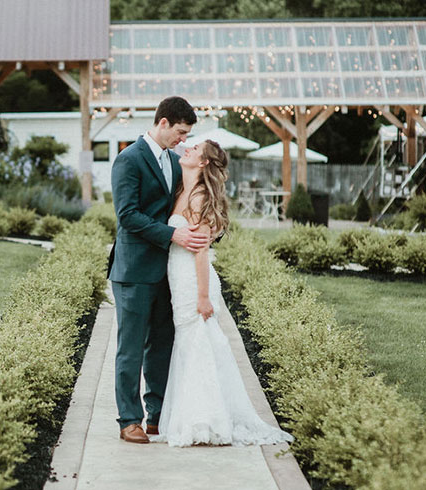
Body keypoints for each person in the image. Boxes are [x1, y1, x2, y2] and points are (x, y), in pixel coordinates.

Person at [151, 140, 294, 446]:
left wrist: (204, 296)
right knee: (190, 344)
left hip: (195, 280)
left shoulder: (201, 197)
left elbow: (201, 251)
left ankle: (206, 420)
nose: (186, 148)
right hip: (178, 277)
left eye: (194, 149)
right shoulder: (181, 191)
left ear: (203, 163)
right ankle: (196, 414)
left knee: (199, 341)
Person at [107, 96, 210, 444]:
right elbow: (127, 215)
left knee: (161, 345)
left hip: (166, 271)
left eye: (186, 135)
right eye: (180, 132)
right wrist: (174, 234)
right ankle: (129, 420)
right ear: (163, 123)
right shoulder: (128, 159)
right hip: (133, 270)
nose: (183, 140)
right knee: (131, 347)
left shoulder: (171, 159)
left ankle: (157, 415)